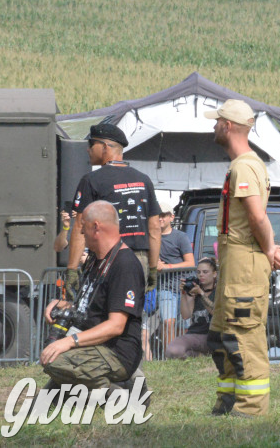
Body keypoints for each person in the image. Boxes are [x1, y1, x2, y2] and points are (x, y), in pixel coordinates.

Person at [205, 99, 280, 418]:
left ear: (228, 126)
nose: (213, 126)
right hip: (234, 264)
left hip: (244, 264)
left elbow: (256, 216)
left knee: (244, 336)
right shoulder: (243, 164)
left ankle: (251, 410)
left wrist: (269, 249)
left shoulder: (244, 165)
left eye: (217, 122)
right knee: (221, 336)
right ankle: (227, 400)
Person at [40, 201, 144, 393]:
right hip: (95, 346)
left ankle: (122, 395)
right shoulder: (95, 260)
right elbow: (92, 304)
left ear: (96, 227)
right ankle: (122, 386)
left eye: (83, 227)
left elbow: (116, 325)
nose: (80, 234)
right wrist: (61, 304)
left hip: (116, 352)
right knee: (51, 355)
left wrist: (69, 341)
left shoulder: (125, 265)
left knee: (55, 361)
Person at [67, 123, 161, 301]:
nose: (87, 150)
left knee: (100, 316)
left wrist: (72, 269)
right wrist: (153, 268)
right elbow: (155, 228)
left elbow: (79, 226)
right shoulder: (144, 180)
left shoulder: (91, 180)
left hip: (107, 259)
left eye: (91, 144)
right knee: (131, 317)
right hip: (138, 260)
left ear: (104, 147)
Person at [155, 201, 194, 356]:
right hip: (164, 288)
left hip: (183, 288)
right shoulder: (151, 237)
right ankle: (171, 356)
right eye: (157, 215)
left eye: (163, 215)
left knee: (183, 326)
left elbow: (191, 263)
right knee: (167, 322)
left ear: (171, 217)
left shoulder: (180, 236)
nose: (160, 218)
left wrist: (167, 267)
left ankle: (181, 355)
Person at [165, 257, 218, 359]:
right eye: (198, 272)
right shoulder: (194, 290)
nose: (201, 275)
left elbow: (215, 312)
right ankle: (201, 357)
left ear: (214, 274)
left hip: (213, 335)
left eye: (205, 272)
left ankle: (203, 357)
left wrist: (201, 293)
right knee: (173, 351)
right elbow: (186, 315)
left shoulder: (219, 291)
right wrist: (184, 293)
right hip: (195, 333)